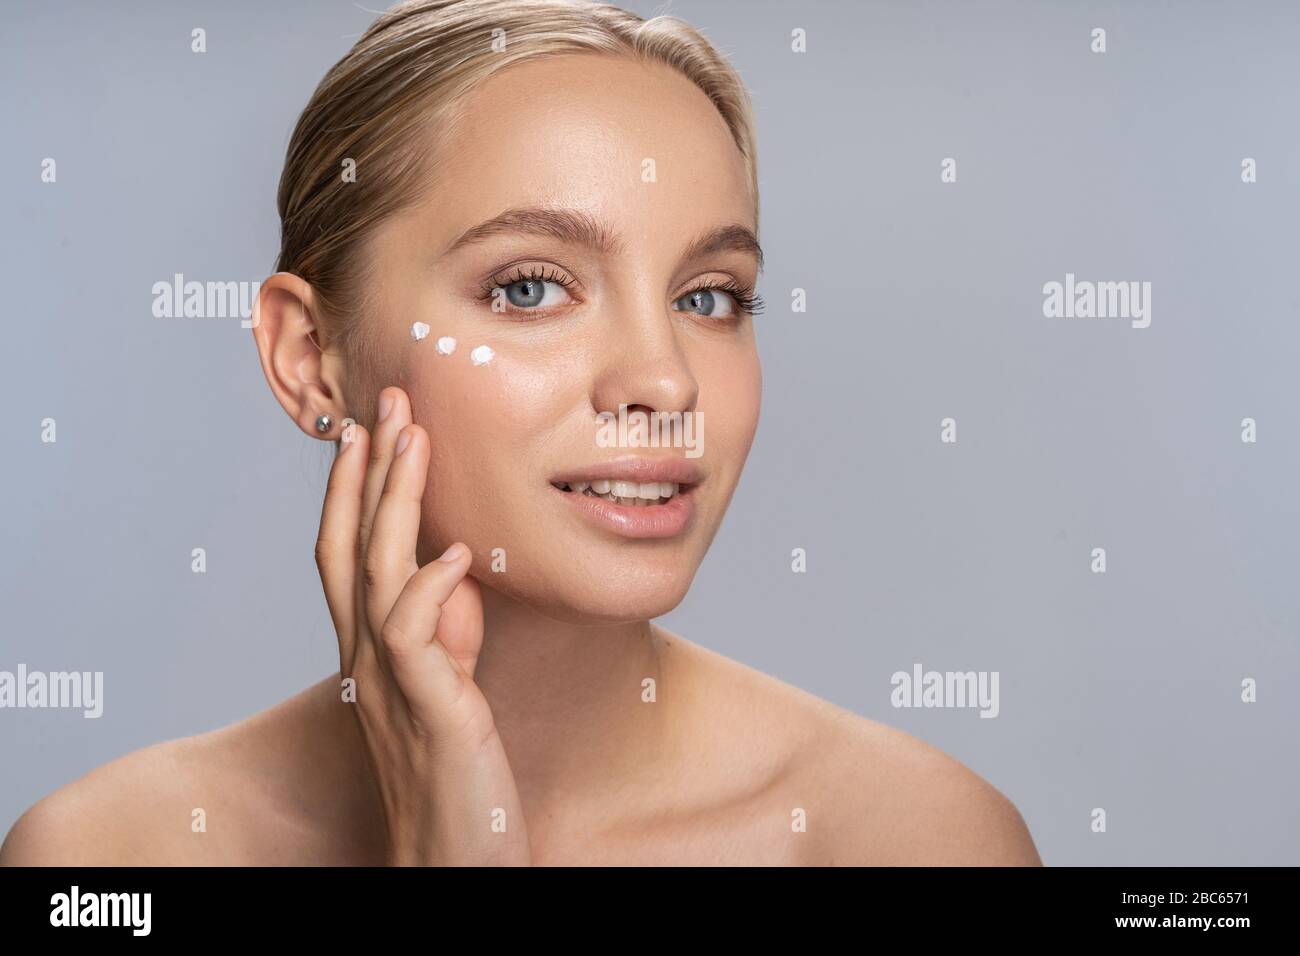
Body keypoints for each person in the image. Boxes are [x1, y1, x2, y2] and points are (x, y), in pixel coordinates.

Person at [1, 0, 1041, 866]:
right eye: (532, 286)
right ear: (308, 354)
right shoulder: (107, 857)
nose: (663, 376)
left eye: (711, 296)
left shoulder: (913, 838)